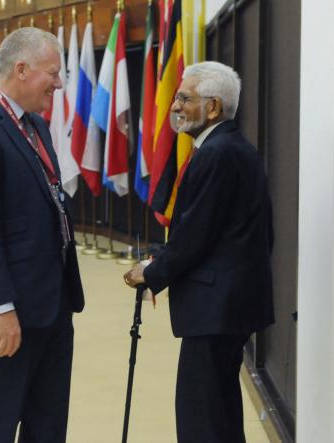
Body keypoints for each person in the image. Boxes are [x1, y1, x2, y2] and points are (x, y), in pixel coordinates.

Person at [123, 61, 274, 443]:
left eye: (185, 98)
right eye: (176, 97)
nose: (175, 106)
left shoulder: (216, 154)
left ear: (213, 108)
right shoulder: (233, 148)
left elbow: (196, 236)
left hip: (216, 309)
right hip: (229, 304)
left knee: (201, 419)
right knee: (219, 413)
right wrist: (163, 259)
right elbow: (229, 233)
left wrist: (153, 272)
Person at [0, 27, 85, 443]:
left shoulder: (36, 126)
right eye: (53, 73)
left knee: (48, 424)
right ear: (22, 70)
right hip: (10, 313)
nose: (59, 83)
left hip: (51, 304)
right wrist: (1, 310)